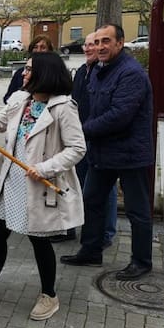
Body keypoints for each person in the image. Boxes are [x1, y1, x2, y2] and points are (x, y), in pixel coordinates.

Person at [0, 52, 85, 320]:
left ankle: (49, 295)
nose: (23, 74)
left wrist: (45, 168)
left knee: (38, 239)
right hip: (11, 179)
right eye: (25, 69)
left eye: (28, 69)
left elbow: (77, 148)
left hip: (39, 183)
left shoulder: (63, 107)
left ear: (45, 74)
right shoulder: (20, 99)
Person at [60, 23, 155, 280]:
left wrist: (81, 132)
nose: (100, 46)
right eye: (97, 41)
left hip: (130, 154)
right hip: (103, 151)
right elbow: (92, 108)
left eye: (106, 41)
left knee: (137, 210)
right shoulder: (99, 70)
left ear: (120, 43)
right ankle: (91, 251)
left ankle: (142, 261)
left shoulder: (131, 73)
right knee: (92, 200)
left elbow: (119, 116)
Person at [49, 33, 117, 244]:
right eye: (86, 45)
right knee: (73, 183)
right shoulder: (81, 71)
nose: (88, 48)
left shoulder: (105, 72)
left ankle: (105, 234)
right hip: (78, 136)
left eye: (93, 44)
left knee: (104, 189)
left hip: (97, 138)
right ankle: (70, 228)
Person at [3, 34, 55, 104]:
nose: (38, 50)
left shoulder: (54, 73)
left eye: (43, 47)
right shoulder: (20, 73)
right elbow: (7, 97)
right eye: (35, 47)